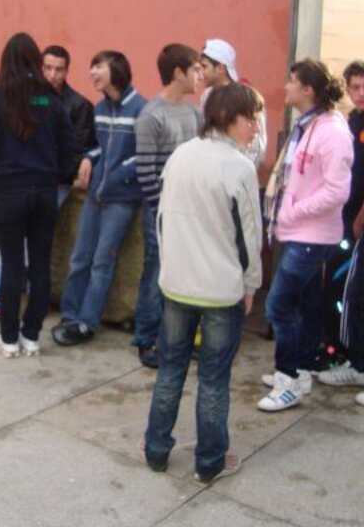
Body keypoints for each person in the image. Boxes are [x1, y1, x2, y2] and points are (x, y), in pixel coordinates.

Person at [143, 83, 262, 483]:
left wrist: (168, 269)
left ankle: (156, 450)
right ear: (227, 118)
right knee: (213, 378)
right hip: (219, 291)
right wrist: (251, 286)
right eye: (250, 119)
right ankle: (209, 462)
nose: (255, 127)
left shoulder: (181, 155)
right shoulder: (239, 168)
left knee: (170, 369)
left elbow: (162, 220)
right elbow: (250, 237)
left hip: (176, 285)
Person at [0, 45, 96, 325]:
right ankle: (11, 309)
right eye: (47, 68)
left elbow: (76, 147)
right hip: (29, 181)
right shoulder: (30, 97)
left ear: (67, 71)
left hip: (52, 183)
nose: (52, 75)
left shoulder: (76, 104)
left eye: (59, 69)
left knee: (24, 250)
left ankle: (5, 306)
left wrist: (72, 168)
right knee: (20, 249)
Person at [259, 58, 353, 411]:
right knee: (308, 303)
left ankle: (287, 379)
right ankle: (301, 371)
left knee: (278, 305)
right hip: (299, 232)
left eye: (292, 81)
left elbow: (337, 191)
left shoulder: (332, 132)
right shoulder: (308, 124)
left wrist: (294, 210)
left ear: (309, 90)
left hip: (313, 236)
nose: (286, 86)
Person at [51, 51, 147, 346]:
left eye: (98, 67)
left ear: (116, 70)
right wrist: (88, 159)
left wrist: (115, 175)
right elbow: (97, 147)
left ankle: (86, 322)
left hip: (122, 199)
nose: (91, 72)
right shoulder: (100, 109)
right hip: (95, 196)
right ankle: (69, 314)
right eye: (91, 67)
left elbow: (144, 156)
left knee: (102, 262)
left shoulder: (141, 109)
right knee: (79, 257)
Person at [133, 44, 202, 368]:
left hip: (190, 211)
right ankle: (146, 338)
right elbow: (146, 173)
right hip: (161, 212)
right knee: (156, 274)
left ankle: (177, 340)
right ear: (178, 73)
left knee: (183, 278)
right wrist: (163, 213)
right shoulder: (151, 115)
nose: (200, 75)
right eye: (195, 69)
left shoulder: (195, 114)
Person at [317, 60, 364, 396]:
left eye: (363, 86)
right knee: (339, 286)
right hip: (344, 219)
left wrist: (360, 216)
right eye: (354, 87)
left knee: (351, 292)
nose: (359, 93)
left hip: (358, 222)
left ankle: (354, 360)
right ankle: (340, 350)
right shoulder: (352, 121)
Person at [200, 38, 267, 168]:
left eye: (205, 67)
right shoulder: (207, 96)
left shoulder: (247, 98)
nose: (201, 74)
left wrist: (240, 170)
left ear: (220, 68)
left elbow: (257, 147)